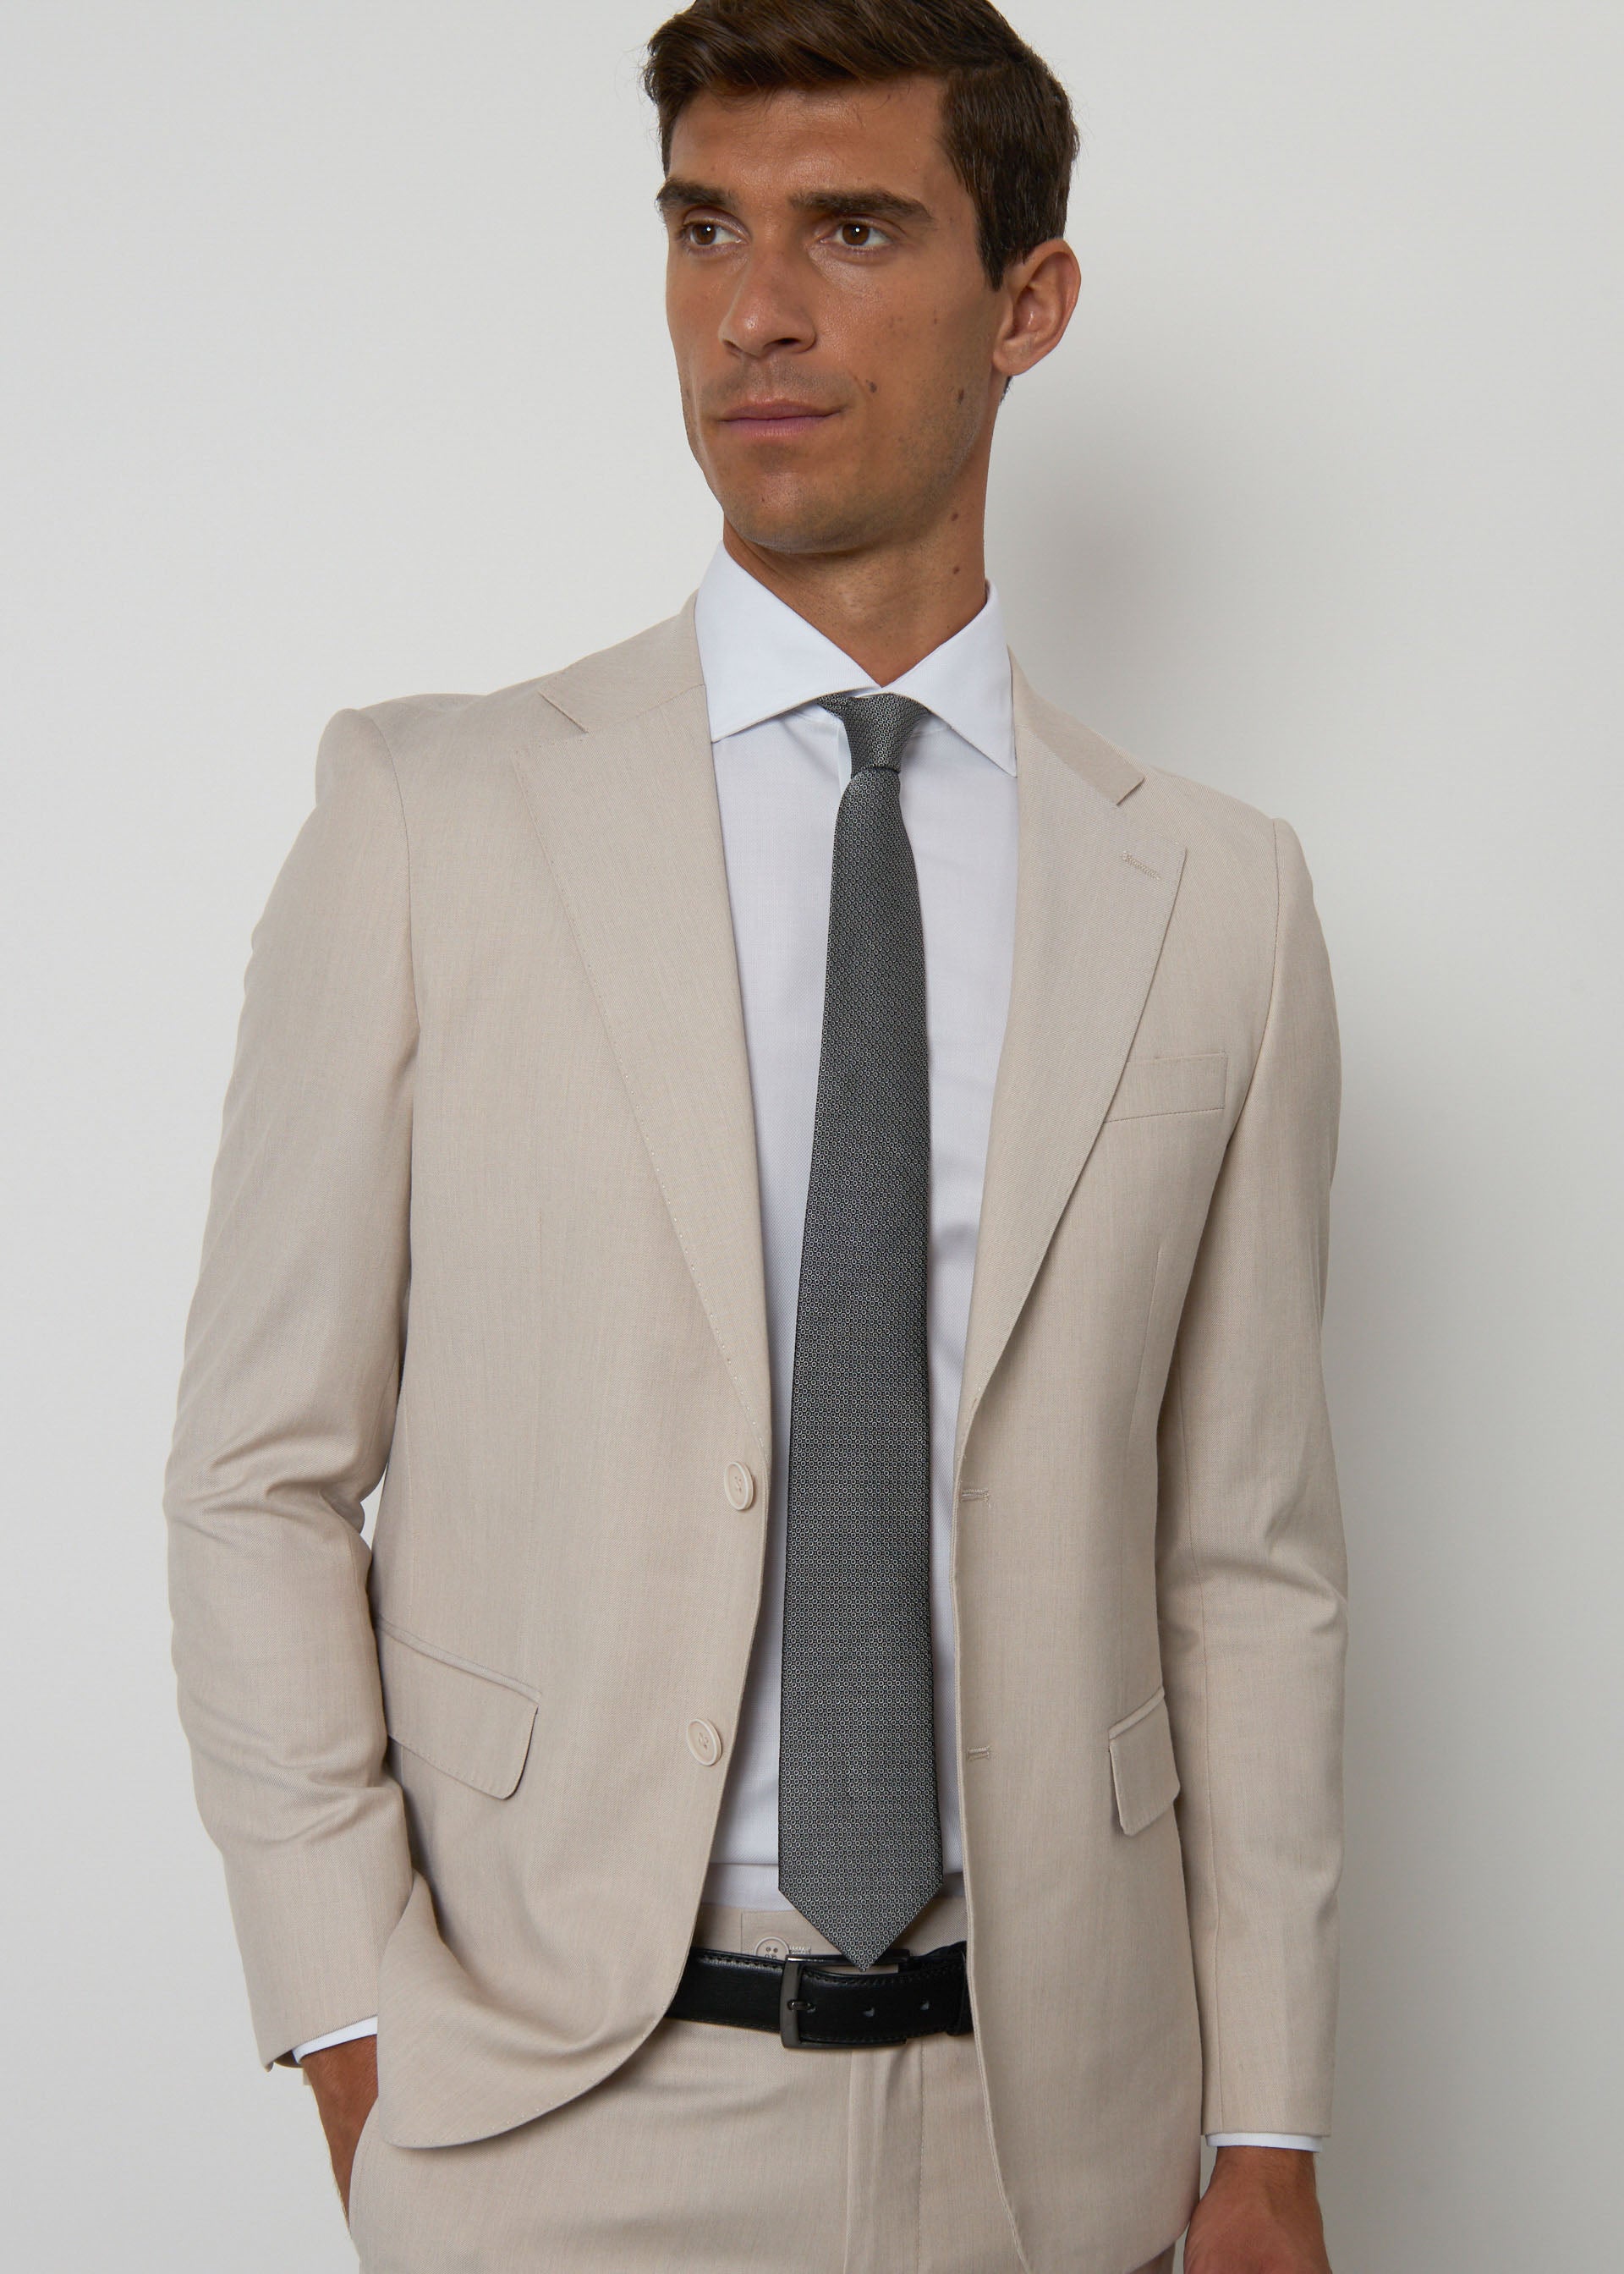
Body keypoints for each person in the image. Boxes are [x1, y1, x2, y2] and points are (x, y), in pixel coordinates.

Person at [165, 3, 1346, 2268]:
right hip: (560, 2109)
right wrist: (357, 2042)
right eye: (706, 229)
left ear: (1028, 303)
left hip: (1061, 2128)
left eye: (854, 231)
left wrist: (1268, 2127)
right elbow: (259, 1472)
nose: (755, 312)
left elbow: (1249, 1562)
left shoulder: (1216, 899)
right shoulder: (433, 819)